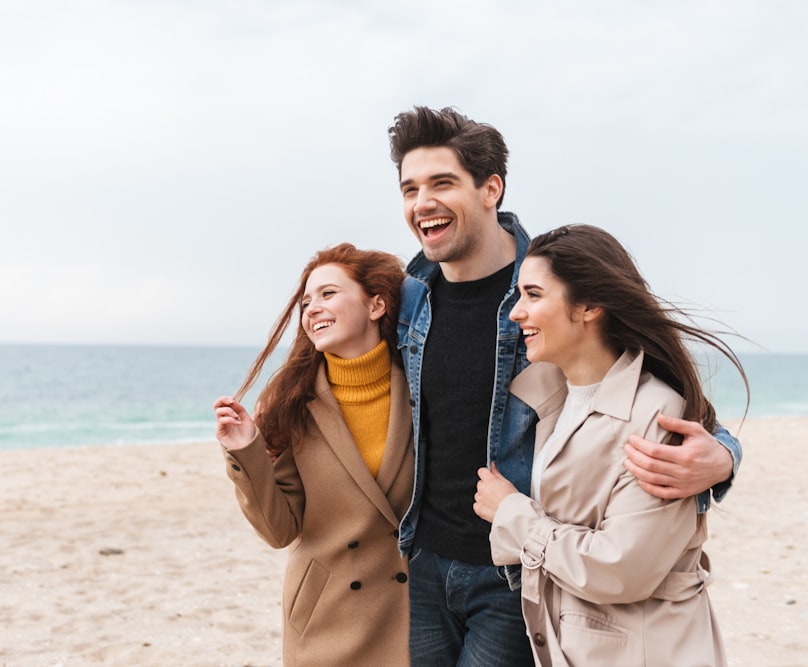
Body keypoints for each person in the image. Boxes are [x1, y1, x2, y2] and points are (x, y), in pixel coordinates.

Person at [387, 106, 743, 665]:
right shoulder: (410, 300)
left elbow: (653, 393)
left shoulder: (552, 288)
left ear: (490, 189)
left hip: (515, 572)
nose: (421, 202)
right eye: (409, 188)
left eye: (442, 183)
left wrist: (723, 455)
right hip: (423, 567)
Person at [472, 224, 748, 666]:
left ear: (589, 306)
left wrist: (512, 514)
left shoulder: (656, 417)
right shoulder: (547, 396)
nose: (515, 313)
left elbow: (620, 569)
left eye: (534, 295)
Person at [213, 243, 414, 666]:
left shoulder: (421, 389)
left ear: (376, 304)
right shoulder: (292, 402)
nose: (311, 309)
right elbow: (279, 531)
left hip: (413, 613)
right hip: (327, 617)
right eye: (306, 301)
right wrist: (245, 450)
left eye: (327, 293)